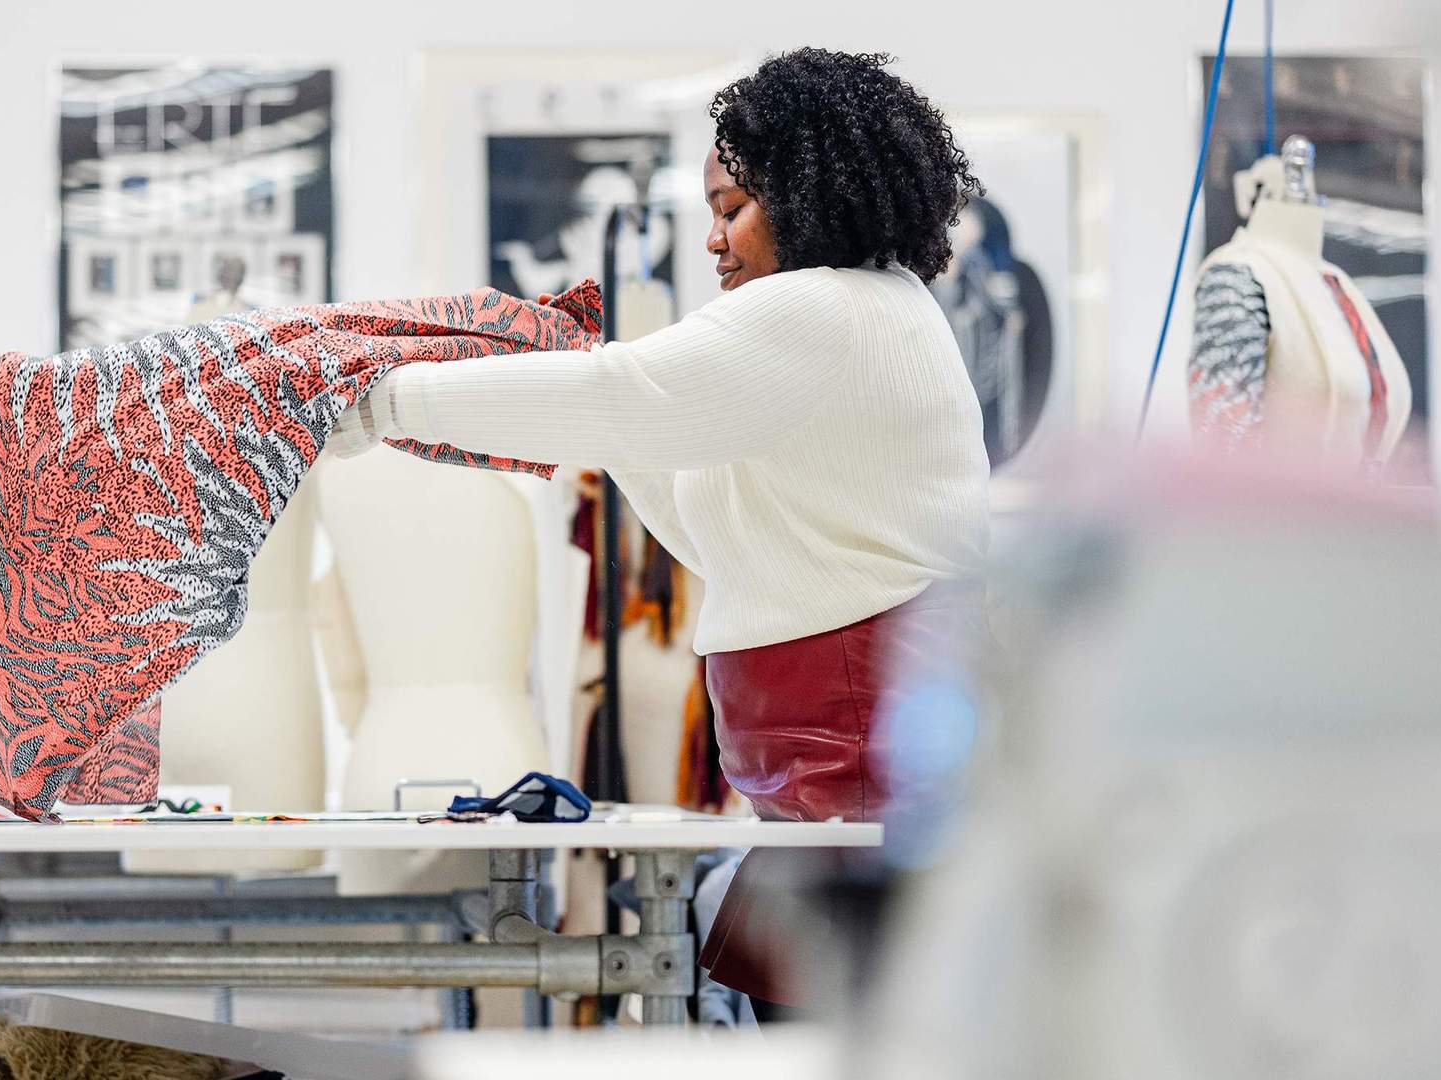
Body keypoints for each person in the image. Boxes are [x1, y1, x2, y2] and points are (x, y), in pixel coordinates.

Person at [330, 47, 991, 1016]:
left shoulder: (828, 310)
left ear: (811, 194)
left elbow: (627, 392)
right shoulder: (869, 317)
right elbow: (701, 523)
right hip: (830, 782)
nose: (715, 243)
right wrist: (605, 417)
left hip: (855, 779)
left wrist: (385, 401)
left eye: (734, 210)